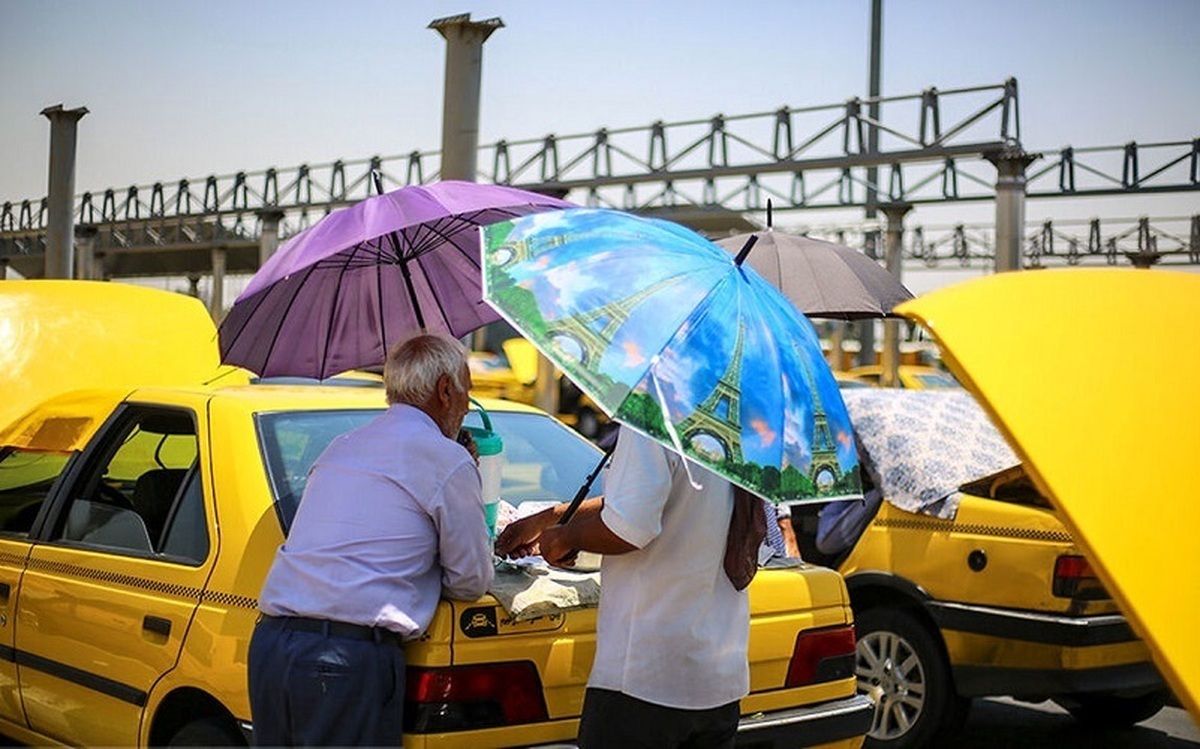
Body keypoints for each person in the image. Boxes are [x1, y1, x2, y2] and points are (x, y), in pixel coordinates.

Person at [247, 332, 494, 746]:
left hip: (273, 647)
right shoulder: (446, 459)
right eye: (467, 390)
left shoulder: (342, 445)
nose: (468, 405)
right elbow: (470, 580)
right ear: (445, 390)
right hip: (344, 660)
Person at [496, 427, 751, 749]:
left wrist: (564, 537)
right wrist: (550, 518)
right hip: (718, 680)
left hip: (646, 679)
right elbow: (642, 500)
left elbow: (630, 527)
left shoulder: (653, 417)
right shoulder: (736, 422)